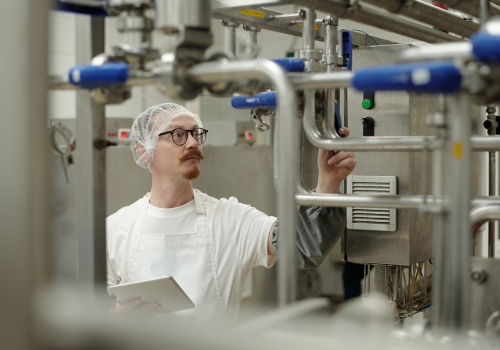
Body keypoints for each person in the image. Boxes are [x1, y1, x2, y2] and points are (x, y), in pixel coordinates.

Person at [106, 103, 356, 328]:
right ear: (143, 151)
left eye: (195, 133)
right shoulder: (116, 228)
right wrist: (115, 320)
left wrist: (327, 184)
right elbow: (93, 312)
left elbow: (301, 245)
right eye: (178, 135)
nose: (193, 143)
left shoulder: (230, 218)